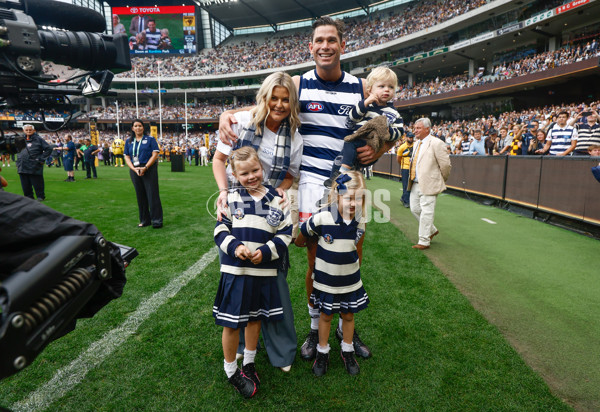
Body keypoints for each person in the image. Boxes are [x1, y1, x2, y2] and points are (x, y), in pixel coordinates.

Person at [219, 17, 385, 361]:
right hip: (310, 183)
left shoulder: (361, 87)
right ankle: (315, 327)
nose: (325, 46)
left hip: (349, 182)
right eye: (319, 41)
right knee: (316, 260)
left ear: (342, 45)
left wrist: (379, 150)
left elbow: (381, 130)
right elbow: (267, 105)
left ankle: (343, 328)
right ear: (311, 47)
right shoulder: (299, 83)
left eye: (331, 40)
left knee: (351, 257)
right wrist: (228, 114)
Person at [213, 71, 302, 372]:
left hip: (271, 212)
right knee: (239, 276)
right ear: (263, 98)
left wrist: (280, 192)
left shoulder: (295, 136)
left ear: (292, 103)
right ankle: (239, 347)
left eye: (285, 99)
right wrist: (224, 193)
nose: (278, 104)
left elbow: (290, 174)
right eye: (273, 98)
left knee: (273, 284)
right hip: (237, 211)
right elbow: (218, 160)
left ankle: (280, 351)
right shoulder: (240, 121)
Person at [213, 146, 293, 398]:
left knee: (256, 318)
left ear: (263, 168)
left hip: (264, 273)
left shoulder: (278, 199)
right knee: (231, 323)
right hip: (235, 272)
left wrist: (267, 251)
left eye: (255, 170)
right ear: (235, 175)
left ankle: (248, 363)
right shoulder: (230, 198)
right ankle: (231, 371)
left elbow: (286, 233)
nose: (251, 176)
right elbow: (219, 231)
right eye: (244, 173)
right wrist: (235, 248)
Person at [295, 171, 368, 377]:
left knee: (348, 315)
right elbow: (303, 233)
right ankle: (322, 352)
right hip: (325, 282)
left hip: (349, 282)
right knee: (326, 317)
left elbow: (357, 249)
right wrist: (301, 241)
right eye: (348, 198)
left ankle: (347, 350)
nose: (353, 204)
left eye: (359, 198)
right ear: (337, 196)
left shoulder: (360, 221)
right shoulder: (322, 217)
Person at [328, 66, 404, 182]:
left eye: (391, 87)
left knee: (349, 146)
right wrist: (365, 103)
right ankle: (334, 181)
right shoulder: (366, 106)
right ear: (370, 90)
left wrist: (387, 131)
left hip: (371, 144)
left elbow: (399, 132)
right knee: (340, 159)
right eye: (381, 86)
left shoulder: (394, 113)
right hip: (357, 141)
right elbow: (352, 117)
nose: (387, 90)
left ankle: (342, 174)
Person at [408, 118, 452, 250]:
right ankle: (431, 230)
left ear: (427, 129)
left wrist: (440, 179)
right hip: (415, 182)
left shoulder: (437, 143)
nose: (415, 130)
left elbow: (445, 165)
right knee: (414, 208)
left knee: (427, 211)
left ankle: (424, 241)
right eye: (415, 128)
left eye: (418, 128)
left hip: (430, 183)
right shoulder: (416, 144)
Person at [124, 120, 163, 229]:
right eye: (135, 126)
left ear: (143, 128)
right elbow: (127, 156)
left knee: (152, 194)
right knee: (140, 195)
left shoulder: (150, 139)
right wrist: (134, 169)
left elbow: (155, 154)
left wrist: (145, 167)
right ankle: (144, 220)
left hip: (149, 168)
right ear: (132, 128)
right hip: (135, 170)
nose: (138, 128)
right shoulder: (128, 141)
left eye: (140, 126)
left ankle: (157, 220)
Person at [16, 124, 52, 201]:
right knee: (25, 184)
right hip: (22, 165)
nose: (28, 131)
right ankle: (28, 197)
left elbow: (48, 149)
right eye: (27, 130)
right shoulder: (19, 139)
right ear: (23, 131)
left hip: (34, 165)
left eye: (30, 130)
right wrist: (18, 161)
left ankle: (40, 196)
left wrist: (41, 159)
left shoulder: (39, 139)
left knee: (37, 182)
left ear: (34, 130)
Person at [396, 131, 414, 208]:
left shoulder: (415, 145)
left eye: (412, 137)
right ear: (406, 138)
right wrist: (403, 165)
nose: (411, 139)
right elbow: (398, 158)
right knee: (406, 185)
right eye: (409, 137)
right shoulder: (402, 147)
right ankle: (406, 201)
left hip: (413, 168)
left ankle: (404, 197)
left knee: (412, 185)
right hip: (405, 168)